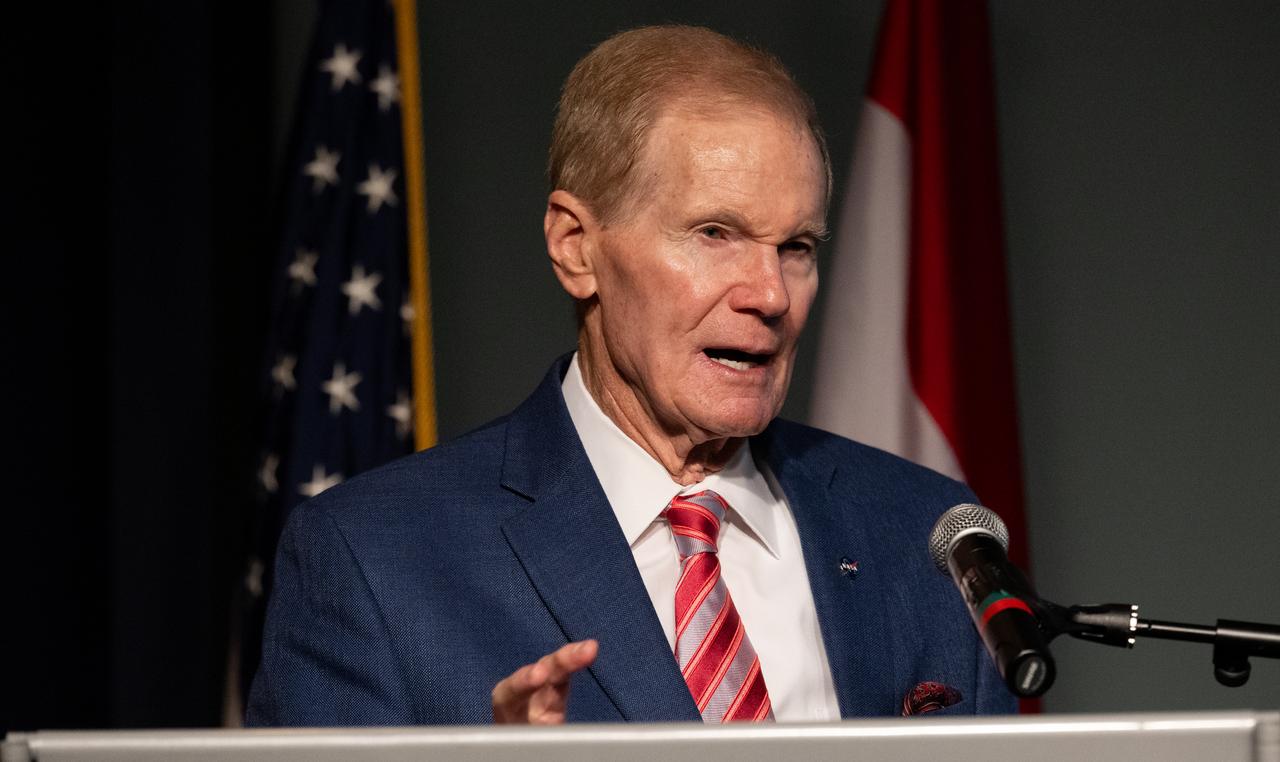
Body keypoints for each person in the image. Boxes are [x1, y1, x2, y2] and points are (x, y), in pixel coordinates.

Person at [246, 24, 1015, 726]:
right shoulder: (373, 557)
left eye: (797, 247)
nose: (771, 294)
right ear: (576, 246)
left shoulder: (926, 533)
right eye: (716, 234)